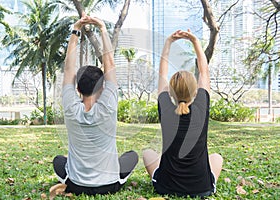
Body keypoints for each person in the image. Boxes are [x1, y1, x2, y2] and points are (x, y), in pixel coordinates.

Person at [52, 14, 138, 195]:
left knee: (59, 161)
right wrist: (103, 29)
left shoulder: (70, 107)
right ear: (102, 87)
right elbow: (110, 64)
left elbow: (68, 68)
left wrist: (76, 29)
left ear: (77, 88)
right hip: (110, 185)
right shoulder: (108, 107)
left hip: (77, 185)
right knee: (132, 156)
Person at [142, 29, 223, 198]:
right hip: (201, 188)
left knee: (148, 153)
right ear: (195, 92)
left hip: (166, 187)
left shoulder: (165, 107)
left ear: (171, 93)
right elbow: (204, 72)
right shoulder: (202, 106)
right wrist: (194, 41)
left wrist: (168, 42)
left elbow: (162, 74)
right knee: (217, 158)